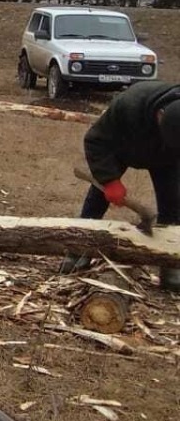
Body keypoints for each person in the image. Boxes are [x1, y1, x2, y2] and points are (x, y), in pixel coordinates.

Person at [64, 80, 180, 291]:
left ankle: (171, 263)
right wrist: (109, 180)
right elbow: (95, 141)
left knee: (174, 203)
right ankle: (78, 251)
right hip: (124, 145)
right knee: (96, 200)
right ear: (160, 115)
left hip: (168, 158)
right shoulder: (128, 106)